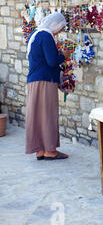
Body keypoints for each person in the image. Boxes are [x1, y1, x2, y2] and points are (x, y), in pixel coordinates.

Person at [25, 12, 71, 160]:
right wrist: (64, 54)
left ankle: (40, 150)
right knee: (48, 115)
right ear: (55, 25)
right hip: (45, 80)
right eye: (61, 28)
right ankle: (50, 151)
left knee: (37, 116)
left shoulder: (36, 34)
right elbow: (52, 61)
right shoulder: (46, 36)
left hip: (34, 80)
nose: (60, 32)